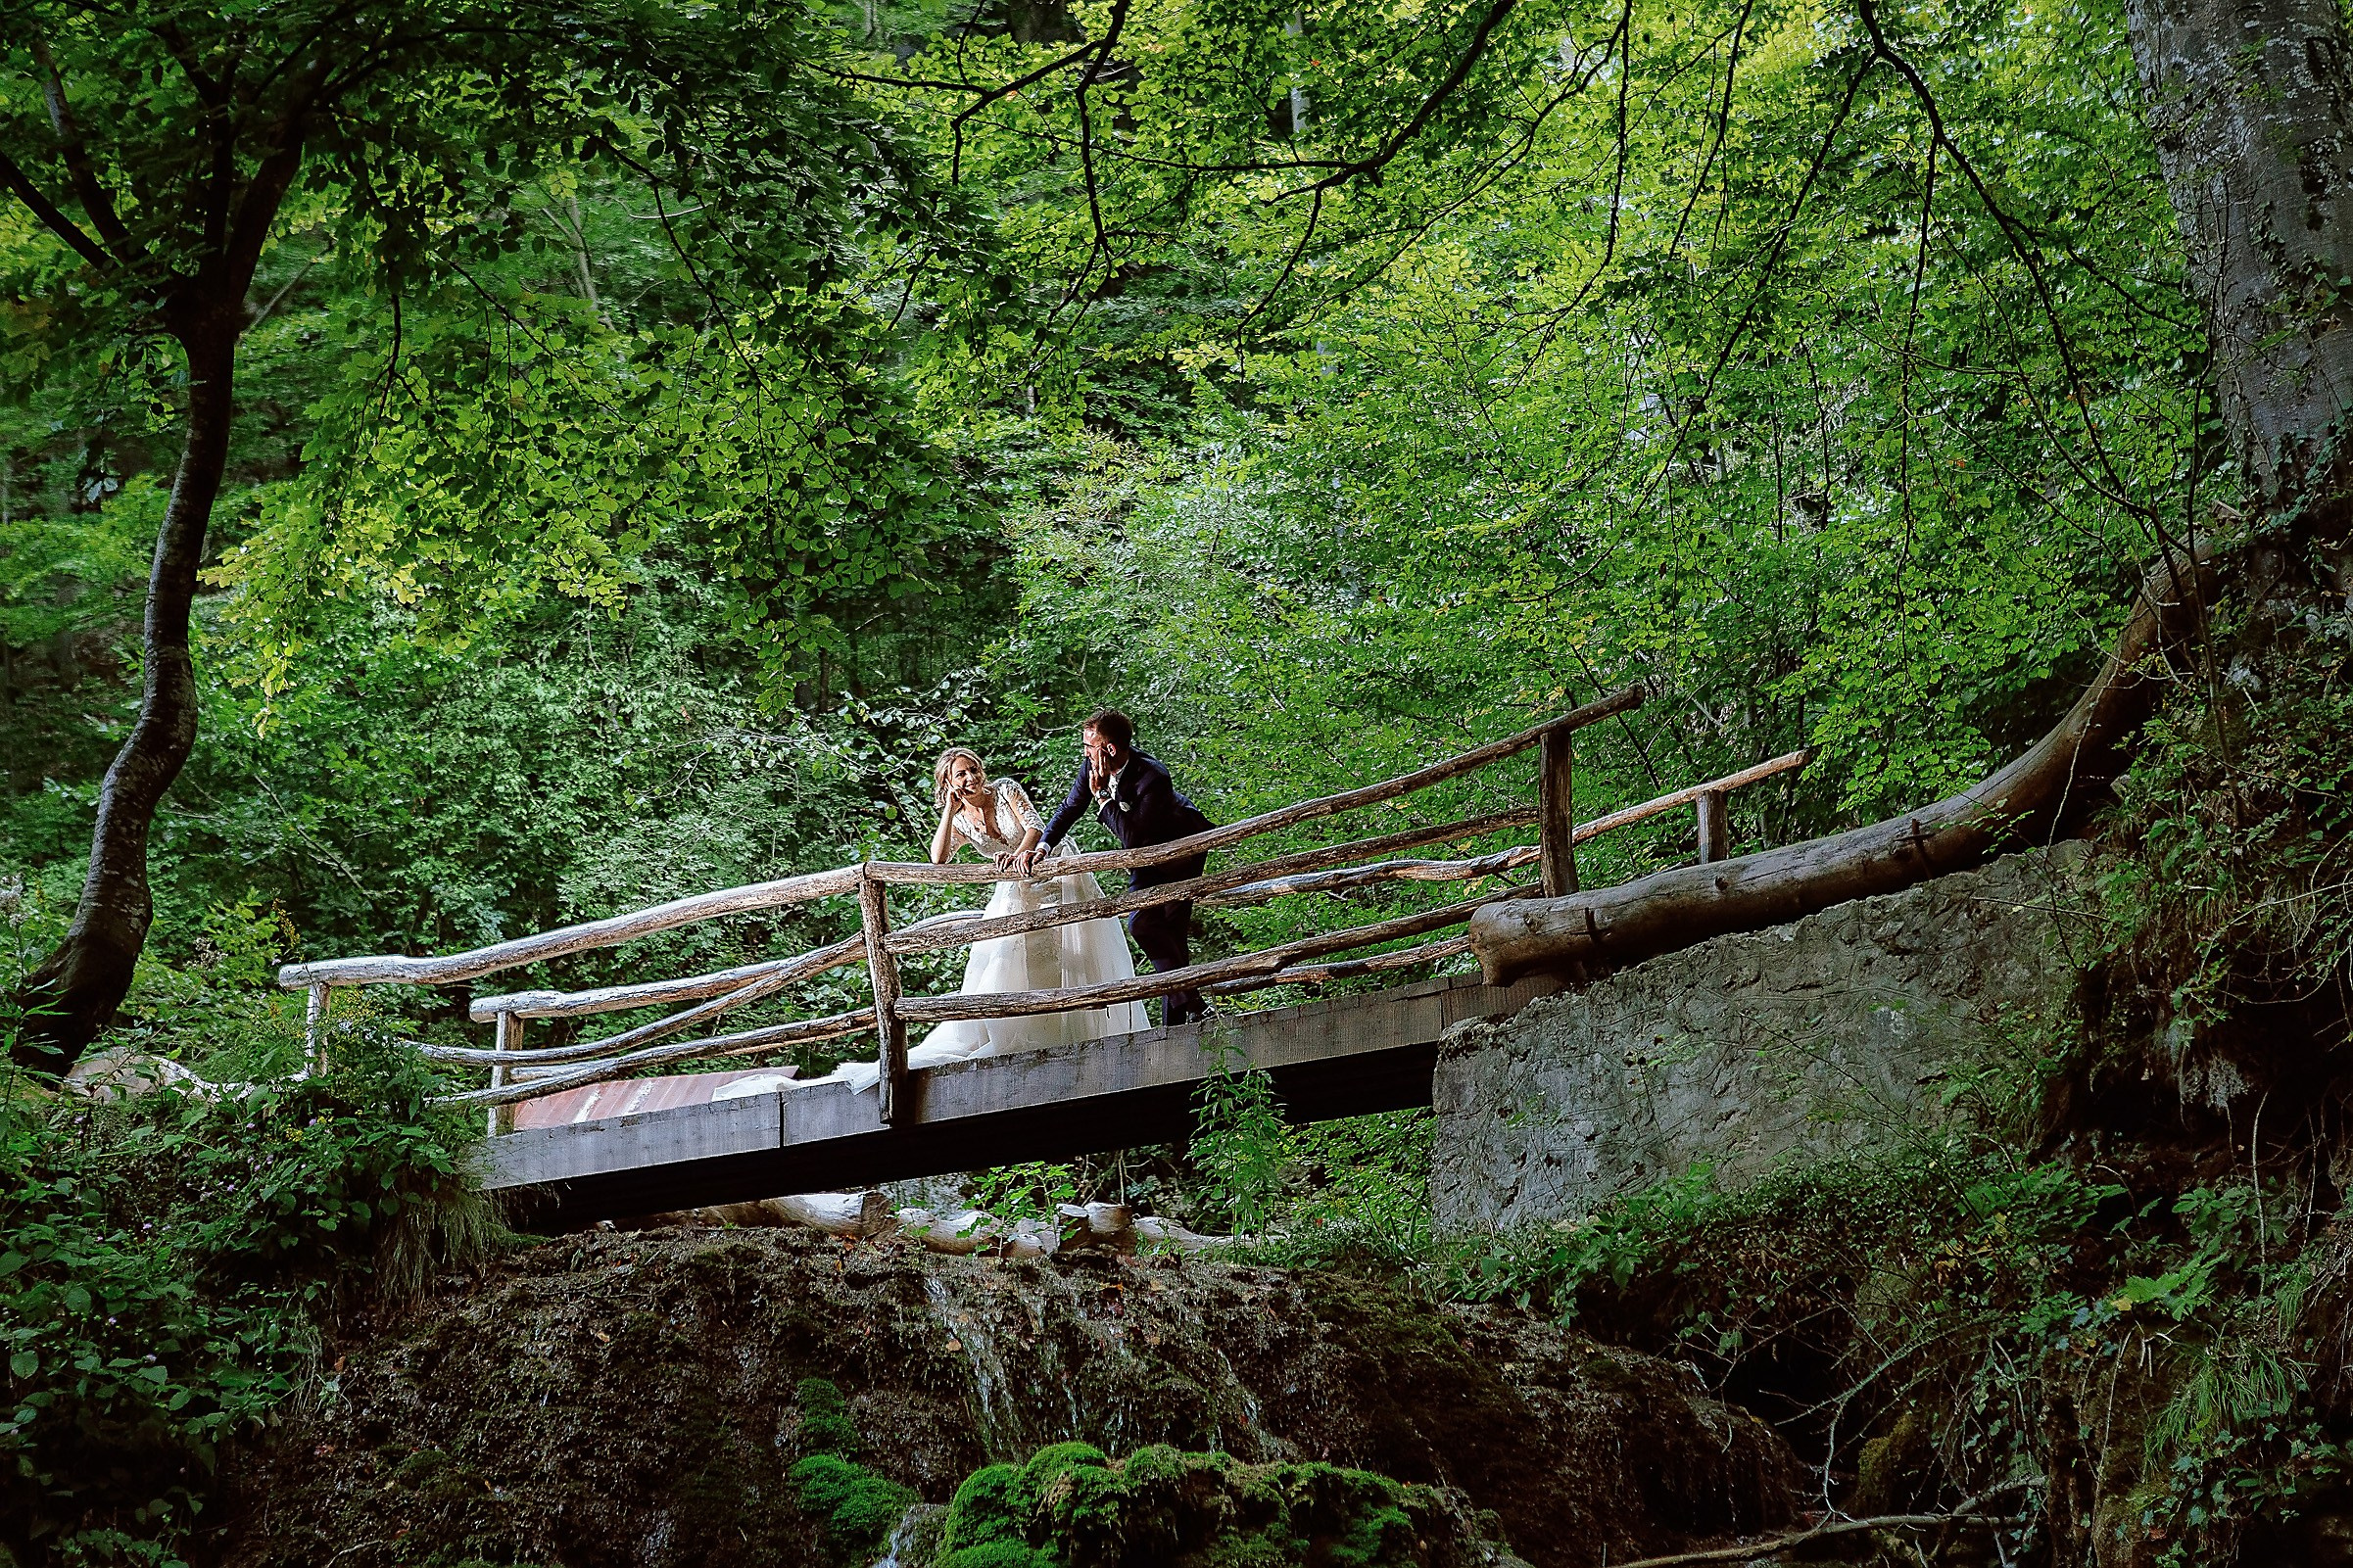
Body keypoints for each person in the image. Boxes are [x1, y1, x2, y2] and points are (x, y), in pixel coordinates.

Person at [821, 747, 1149, 1094]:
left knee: (1068, 946)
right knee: (1009, 956)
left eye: (974, 770)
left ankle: (1080, 1029)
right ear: (949, 782)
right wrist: (949, 809)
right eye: (961, 774)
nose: (971, 778)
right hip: (1014, 886)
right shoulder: (961, 819)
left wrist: (1020, 854)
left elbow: (1035, 826)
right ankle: (1035, 1030)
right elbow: (939, 858)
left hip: (1050, 871)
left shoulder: (1006, 790)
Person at [1030, 708, 1214, 1026]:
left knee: (1162, 930)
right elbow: (1071, 806)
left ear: (1110, 749)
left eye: (1089, 746)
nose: (1085, 753)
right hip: (1145, 856)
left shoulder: (1152, 776)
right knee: (1151, 928)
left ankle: (1182, 1019)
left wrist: (1102, 796)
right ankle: (1192, 1010)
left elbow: (1132, 837)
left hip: (1181, 852)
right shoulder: (1092, 765)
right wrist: (1044, 845)